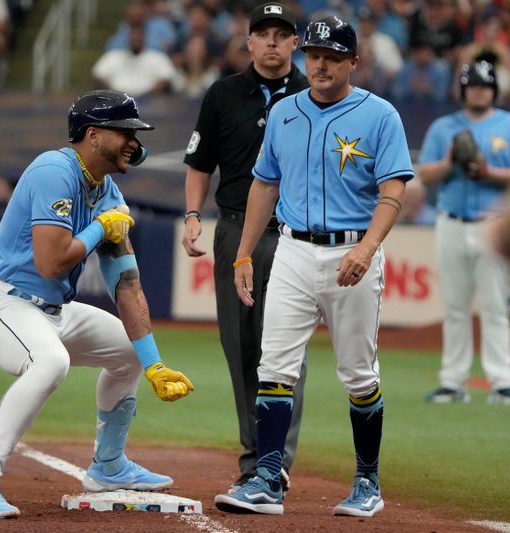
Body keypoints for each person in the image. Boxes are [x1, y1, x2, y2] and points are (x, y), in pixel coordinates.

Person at [0, 90, 194, 519]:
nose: (135, 144)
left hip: (53, 312)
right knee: (51, 363)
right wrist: (101, 228)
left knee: (129, 353)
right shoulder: (54, 169)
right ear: (94, 134)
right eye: (126, 133)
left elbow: (127, 283)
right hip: (1, 303)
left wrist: (154, 362)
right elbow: (50, 263)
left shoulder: (108, 192)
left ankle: (108, 467)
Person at [214, 15, 413, 517]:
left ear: (352, 61)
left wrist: (367, 248)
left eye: (332, 56)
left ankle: (367, 483)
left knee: (358, 374)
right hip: (294, 251)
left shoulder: (380, 115)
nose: (320, 64)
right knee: (274, 366)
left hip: (352, 252)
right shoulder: (285, 112)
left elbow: (393, 192)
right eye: (314, 55)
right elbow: (264, 184)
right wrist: (243, 253)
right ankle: (267, 479)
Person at [181, 2, 309, 495]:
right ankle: (254, 456)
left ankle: (276, 460)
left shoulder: (312, 93)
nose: (273, 42)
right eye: (264, 33)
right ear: (248, 42)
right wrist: (193, 215)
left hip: (295, 234)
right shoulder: (222, 94)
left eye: (282, 33)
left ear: (295, 42)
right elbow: (199, 162)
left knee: (288, 347)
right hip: (235, 228)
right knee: (240, 346)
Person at [417, 61, 510, 406]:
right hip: (451, 222)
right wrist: (449, 162)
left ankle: (502, 383)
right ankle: (452, 382)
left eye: (485, 86)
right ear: (463, 90)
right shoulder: (444, 127)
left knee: (495, 306)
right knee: (454, 307)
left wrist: (490, 173)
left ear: (494, 91)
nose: (478, 91)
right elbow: (424, 173)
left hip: (493, 225)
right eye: (472, 86)